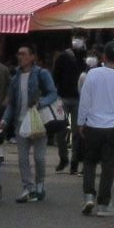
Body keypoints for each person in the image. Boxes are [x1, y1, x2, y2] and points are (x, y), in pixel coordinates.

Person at [78, 43, 114, 216]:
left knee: (89, 162)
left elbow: (84, 100)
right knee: (108, 166)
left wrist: (81, 122)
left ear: (103, 57)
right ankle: (103, 204)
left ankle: (88, 195)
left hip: (93, 125)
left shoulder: (92, 74)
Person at [1, 44, 56, 204]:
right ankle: (28, 187)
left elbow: (53, 93)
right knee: (22, 159)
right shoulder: (15, 77)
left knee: (39, 158)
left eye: (24, 54)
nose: (20, 57)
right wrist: (4, 120)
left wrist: (41, 102)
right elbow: (12, 103)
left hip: (38, 121)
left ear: (32, 57)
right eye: (18, 54)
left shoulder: (42, 74)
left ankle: (40, 184)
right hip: (20, 122)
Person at [50, 40, 82, 171]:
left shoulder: (86, 57)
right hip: (63, 97)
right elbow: (55, 77)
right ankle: (63, 157)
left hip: (79, 99)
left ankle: (74, 161)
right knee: (60, 131)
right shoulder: (62, 57)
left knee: (77, 132)